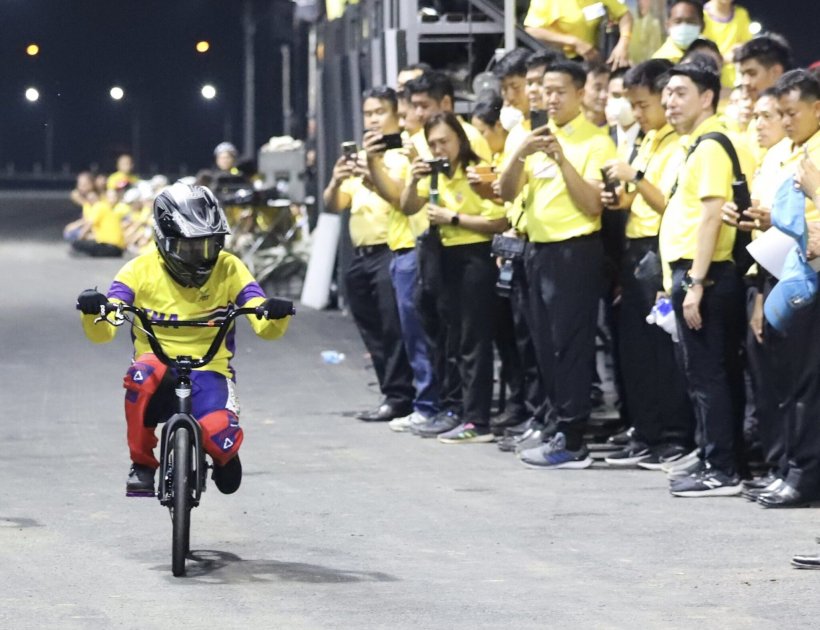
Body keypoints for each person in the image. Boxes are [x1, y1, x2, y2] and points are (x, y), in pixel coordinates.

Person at [76, 183, 293, 495]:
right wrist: (93, 310)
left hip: (212, 370)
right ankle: (141, 464)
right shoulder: (137, 270)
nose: (200, 259)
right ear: (164, 242)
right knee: (140, 376)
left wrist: (273, 312)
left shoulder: (229, 266)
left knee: (220, 441)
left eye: (208, 246)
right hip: (157, 366)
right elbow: (107, 323)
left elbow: (258, 313)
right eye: (189, 247)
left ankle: (222, 457)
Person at [499, 60, 617, 468]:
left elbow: (591, 205)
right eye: (545, 90)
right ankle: (555, 424)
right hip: (537, 251)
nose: (550, 98)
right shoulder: (534, 136)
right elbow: (505, 191)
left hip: (575, 252)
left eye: (559, 91)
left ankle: (573, 437)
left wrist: (562, 158)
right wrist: (520, 154)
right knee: (544, 346)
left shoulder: (597, 142)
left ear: (581, 93)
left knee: (571, 347)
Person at [659, 60, 754, 497]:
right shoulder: (697, 145)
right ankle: (719, 459)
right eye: (668, 93)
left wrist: (695, 282)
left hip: (708, 276)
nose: (669, 101)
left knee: (709, 375)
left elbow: (713, 214)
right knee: (710, 374)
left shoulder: (712, 145)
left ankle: (723, 469)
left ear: (707, 98)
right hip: (700, 275)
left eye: (680, 92)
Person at [600, 58, 695, 469]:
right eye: (632, 105)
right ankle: (648, 431)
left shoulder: (679, 143)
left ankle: (674, 438)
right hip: (635, 251)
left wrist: (635, 177)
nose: (637, 113)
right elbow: (639, 200)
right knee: (636, 351)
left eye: (643, 104)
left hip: (661, 252)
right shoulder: (650, 139)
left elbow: (670, 204)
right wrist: (619, 198)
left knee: (663, 354)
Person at [401, 112, 508, 443]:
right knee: (450, 339)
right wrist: (412, 177)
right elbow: (407, 207)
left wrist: (455, 217)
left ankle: (478, 420)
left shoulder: (476, 172)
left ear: (460, 139)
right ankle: (455, 409)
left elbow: (500, 221)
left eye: (444, 141)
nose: (439, 149)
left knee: (473, 340)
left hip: (475, 258)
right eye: (432, 143)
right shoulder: (433, 173)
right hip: (441, 258)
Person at [324, 87, 418, 424]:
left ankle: (401, 397)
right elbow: (334, 205)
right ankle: (392, 392)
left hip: (390, 249)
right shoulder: (362, 155)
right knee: (371, 328)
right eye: (368, 113)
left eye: (380, 112)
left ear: (396, 113)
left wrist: (373, 171)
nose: (374, 119)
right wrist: (336, 181)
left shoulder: (405, 151)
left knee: (395, 329)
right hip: (359, 254)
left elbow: (400, 199)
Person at [523, 0, 633, 69]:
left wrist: (623, 43)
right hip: (564, 61)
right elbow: (531, 30)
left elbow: (624, 14)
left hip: (599, 57)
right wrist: (574, 42)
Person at [702, 0, 753, 88]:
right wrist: (724, 58)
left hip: (737, 81)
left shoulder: (741, 14)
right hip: (709, 78)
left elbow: (746, 48)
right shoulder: (701, 14)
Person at [63, 171, 99, 243]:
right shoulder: (82, 198)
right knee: (69, 233)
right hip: (89, 224)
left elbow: (90, 220)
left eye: (84, 184)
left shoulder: (95, 198)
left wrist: (76, 227)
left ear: (92, 184)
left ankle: (99, 238)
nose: (81, 187)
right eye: (79, 184)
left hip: (97, 226)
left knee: (70, 234)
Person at [629, 0, 663, 65]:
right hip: (630, 64)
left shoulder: (654, 23)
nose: (645, 2)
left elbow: (655, 48)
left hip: (647, 65)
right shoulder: (631, 19)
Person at [582, 61, 611, 127]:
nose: (604, 95)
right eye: (598, 89)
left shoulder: (618, 130)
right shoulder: (564, 123)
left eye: (608, 89)